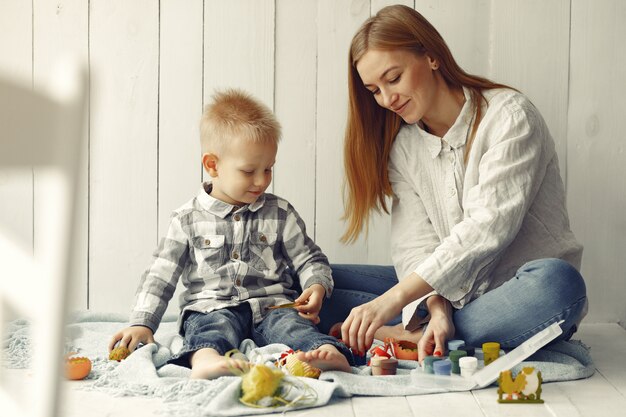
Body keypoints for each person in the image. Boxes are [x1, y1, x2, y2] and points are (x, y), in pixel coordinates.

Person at [320, 4, 588, 361]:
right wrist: (436, 307)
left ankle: (406, 335)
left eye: (393, 78)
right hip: (449, 296)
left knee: (560, 283)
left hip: (521, 294)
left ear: (431, 57)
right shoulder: (404, 146)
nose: (386, 99)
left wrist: (392, 301)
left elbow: (486, 230)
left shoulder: (510, 117)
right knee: (318, 282)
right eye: (374, 90)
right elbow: (414, 245)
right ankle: (430, 331)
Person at [109, 89, 352, 379]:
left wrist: (317, 285)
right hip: (211, 306)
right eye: (249, 171)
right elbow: (160, 275)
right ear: (213, 165)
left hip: (272, 305)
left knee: (291, 325)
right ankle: (206, 360)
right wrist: (143, 322)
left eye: (268, 169)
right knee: (211, 327)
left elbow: (309, 257)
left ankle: (325, 353)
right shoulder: (187, 219)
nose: (261, 180)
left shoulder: (280, 212)